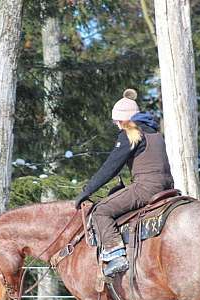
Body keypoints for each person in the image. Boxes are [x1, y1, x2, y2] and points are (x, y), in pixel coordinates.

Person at [74, 89, 174, 277]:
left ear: (122, 120)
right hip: (168, 187)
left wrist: (86, 192)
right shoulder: (155, 134)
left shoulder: (130, 133)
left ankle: (115, 254)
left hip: (146, 188)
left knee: (100, 211)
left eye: (117, 122)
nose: (117, 126)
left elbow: (110, 167)